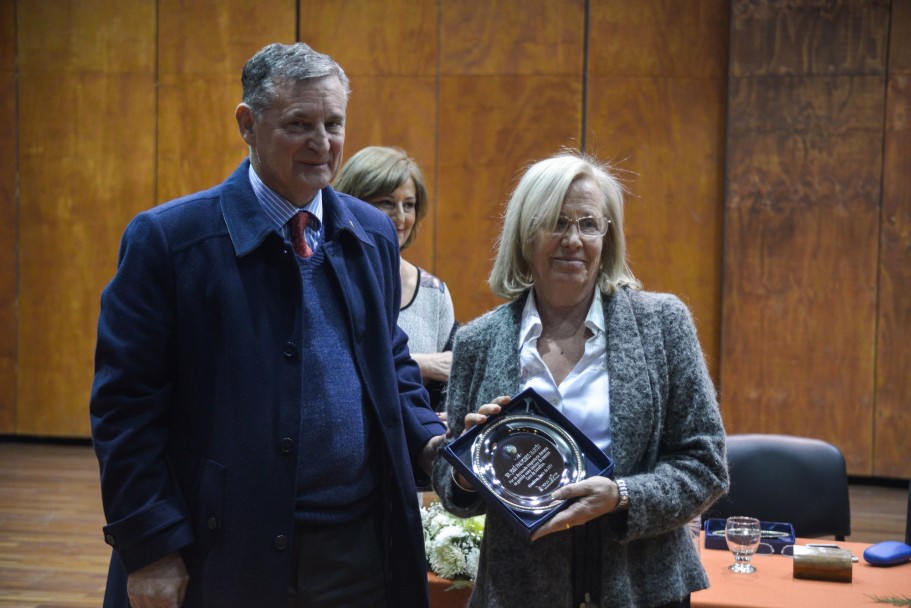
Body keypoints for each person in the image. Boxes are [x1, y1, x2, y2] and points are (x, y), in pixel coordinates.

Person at [90, 42, 446, 608]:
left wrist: (434, 445)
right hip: (224, 550)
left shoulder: (371, 235)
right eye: (299, 124)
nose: (322, 143)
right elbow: (124, 410)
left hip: (361, 548)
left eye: (334, 123)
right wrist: (151, 547)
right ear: (247, 124)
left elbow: (391, 365)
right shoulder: (168, 241)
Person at [431, 150, 729, 607]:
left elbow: (706, 464)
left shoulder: (663, 325)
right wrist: (470, 471)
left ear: (607, 238)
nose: (573, 239)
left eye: (588, 224)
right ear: (525, 235)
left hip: (641, 589)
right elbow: (454, 487)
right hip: (518, 593)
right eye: (556, 222)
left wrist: (623, 494)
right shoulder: (478, 340)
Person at [334, 146, 457, 411]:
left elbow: (447, 384)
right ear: (353, 203)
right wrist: (421, 363)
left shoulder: (433, 292)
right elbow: (333, 368)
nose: (400, 218)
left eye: (409, 205)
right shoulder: (327, 278)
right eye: (386, 203)